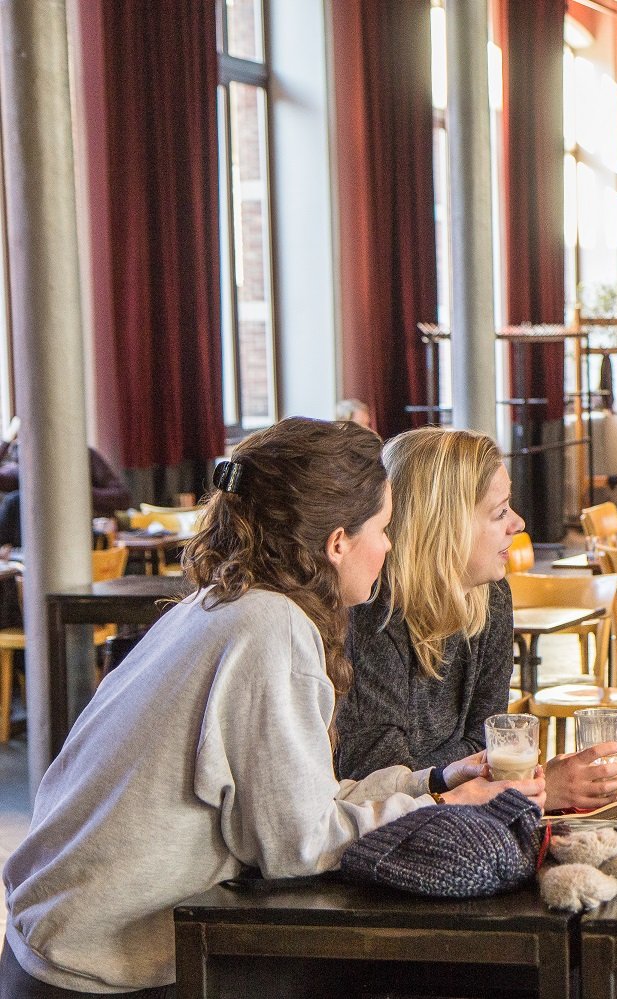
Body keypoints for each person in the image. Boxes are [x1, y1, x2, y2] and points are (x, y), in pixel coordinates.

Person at [2, 418, 519, 996]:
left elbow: (294, 803)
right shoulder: (273, 626)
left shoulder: (223, 603)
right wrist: (445, 804)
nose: (392, 545)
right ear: (338, 542)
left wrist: (432, 782)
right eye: (384, 527)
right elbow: (294, 845)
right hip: (100, 969)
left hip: (47, 945)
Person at [336, 426, 617, 812]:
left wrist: (492, 777)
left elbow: (491, 745)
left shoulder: (489, 597)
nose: (518, 523)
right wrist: (524, 787)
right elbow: (379, 776)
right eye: (500, 511)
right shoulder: (373, 610)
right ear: (444, 525)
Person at [0, 421, 132, 548]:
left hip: (85, 540)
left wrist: (75, 492)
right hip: (38, 543)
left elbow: (123, 498)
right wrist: (7, 440)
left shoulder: (84, 456)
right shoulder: (31, 465)